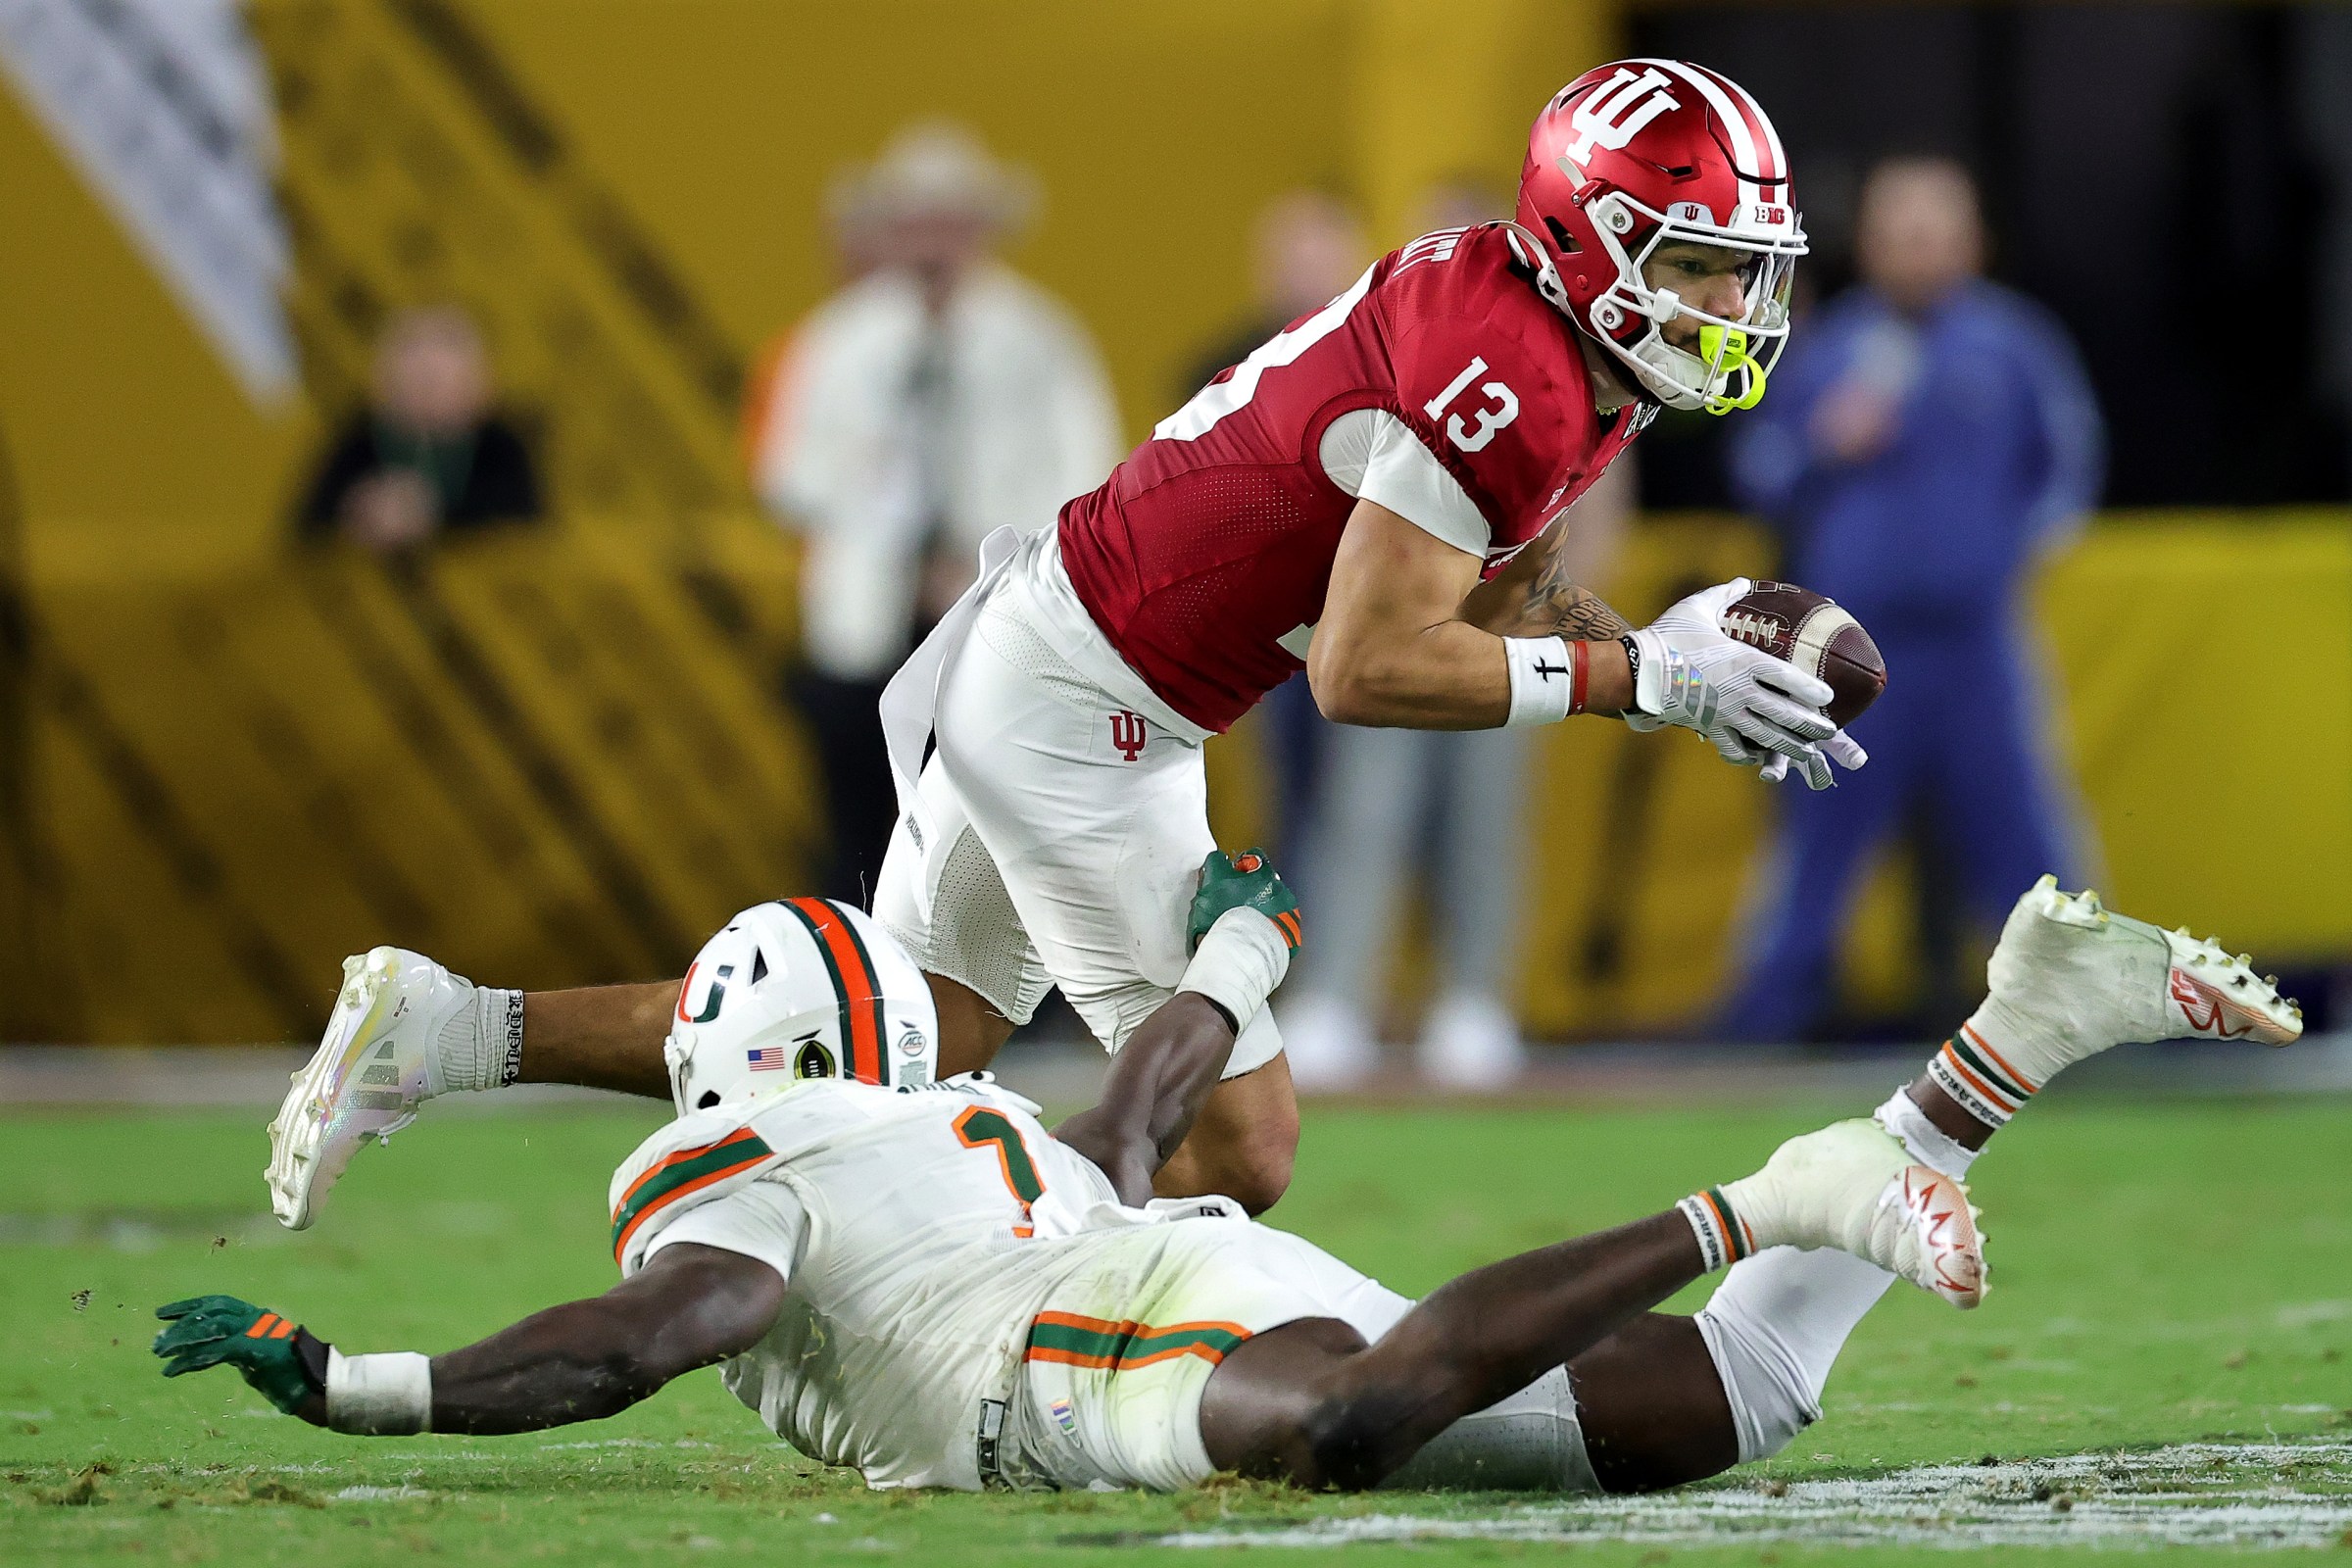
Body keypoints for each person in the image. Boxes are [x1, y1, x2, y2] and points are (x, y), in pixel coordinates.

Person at [268, 61, 1863, 1227]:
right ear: (1594, 239)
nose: (1734, 300)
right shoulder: (1508, 375)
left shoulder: (1546, 347)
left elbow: (1492, 595)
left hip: (1058, 646)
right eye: (1702, 258)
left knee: (911, 1041)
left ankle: (450, 1028)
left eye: (1745, 264)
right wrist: (1644, 675)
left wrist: (1655, 659)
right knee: (1241, 1148)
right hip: (1091, 700)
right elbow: (1365, 669)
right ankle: (1053, 1348)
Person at [187, 865, 2296, 1494]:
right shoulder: (959, 1119)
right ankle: (2010, 1038)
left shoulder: (725, 1147)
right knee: (1704, 1409)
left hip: (1078, 1345)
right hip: (1162, 1246)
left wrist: (365, 1375)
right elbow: (1138, 1101)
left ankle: (1781, 1195)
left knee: (1343, 1427)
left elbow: (681, 1324)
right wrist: (1231, 948)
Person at [1720, 158, 2103, 1042]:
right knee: (1814, 833)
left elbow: (2069, 468)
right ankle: (1765, 1015)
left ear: (1973, 243)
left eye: (1935, 231)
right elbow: (1759, 470)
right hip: (1849, 649)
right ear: (1872, 244)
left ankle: (2078, 1012)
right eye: (1901, 233)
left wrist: (2011, 545)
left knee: (2024, 833)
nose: (1918, 249)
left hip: (1976, 640)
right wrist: (1824, 444)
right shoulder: (1825, 347)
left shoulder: (2015, 346)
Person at [1279, 178, 1634, 1091]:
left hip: (1500, 623)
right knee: (1363, 810)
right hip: (1395, 617)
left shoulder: (1564, 357)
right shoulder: (1389, 343)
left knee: (1486, 819)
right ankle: (1339, 996)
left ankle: (1476, 997)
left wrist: (1549, 608)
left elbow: (1598, 499)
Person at [746, 122, 1122, 904]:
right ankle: (859, 989)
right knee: (861, 822)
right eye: (916, 220)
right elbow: (787, 475)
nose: (933, 240)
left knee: (1004, 826)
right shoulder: (839, 341)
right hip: (863, 622)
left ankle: (1012, 1011)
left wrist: (987, 554)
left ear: (982, 229)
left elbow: (1087, 478)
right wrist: (870, 499)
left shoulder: (1040, 341)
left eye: (950, 220)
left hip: (999, 619)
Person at [1181, 189, 1373, 862]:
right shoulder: (1225, 369)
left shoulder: (1390, 360)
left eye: (1321, 253)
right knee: (1291, 792)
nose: (1305, 271)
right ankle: (1288, 937)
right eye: (1293, 255)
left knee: (1374, 797)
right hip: (1272, 621)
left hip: (1372, 612)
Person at [294, 306, 541, 552]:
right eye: (414, 380)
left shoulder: (501, 447)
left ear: (478, 386)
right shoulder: (358, 443)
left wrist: (432, 516)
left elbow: (524, 532)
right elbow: (307, 533)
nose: (425, 396)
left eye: (437, 382)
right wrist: (359, 513)